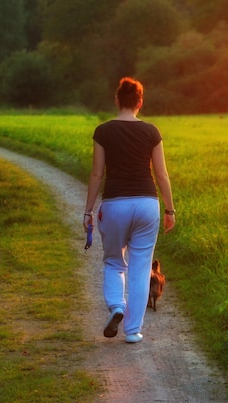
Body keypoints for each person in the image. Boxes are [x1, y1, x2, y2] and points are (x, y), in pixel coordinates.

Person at [83, 77, 175, 344]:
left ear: (116, 100)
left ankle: (117, 306)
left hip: (115, 204)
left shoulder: (103, 131)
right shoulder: (152, 132)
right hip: (147, 204)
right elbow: (162, 175)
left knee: (114, 262)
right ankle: (133, 331)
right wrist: (170, 210)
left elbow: (97, 174)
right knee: (140, 267)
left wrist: (88, 212)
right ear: (140, 102)